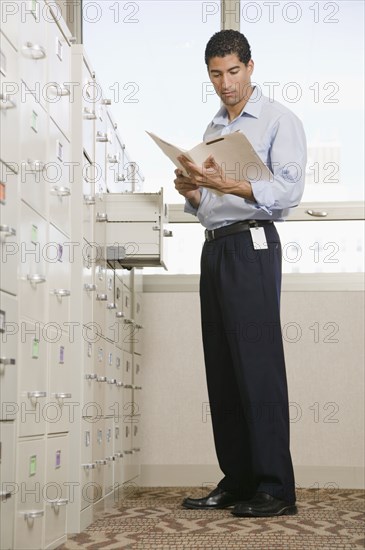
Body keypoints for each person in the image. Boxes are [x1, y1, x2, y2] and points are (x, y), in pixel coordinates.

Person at [174, 29, 307, 518]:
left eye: (233, 71)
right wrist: (194, 191)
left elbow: (288, 193)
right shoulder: (213, 126)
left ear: (251, 67)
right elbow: (211, 203)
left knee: (258, 368)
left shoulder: (278, 120)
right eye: (215, 74)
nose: (225, 83)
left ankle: (275, 487)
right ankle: (239, 479)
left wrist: (227, 181)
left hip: (253, 244)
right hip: (216, 249)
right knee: (224, 369)